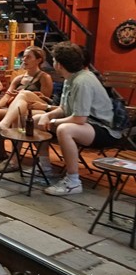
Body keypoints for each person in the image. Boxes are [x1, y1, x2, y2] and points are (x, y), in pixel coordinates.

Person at [35, 42, 121, 196]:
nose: (53, 62)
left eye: (54, 60)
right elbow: (63, 108)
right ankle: (44, 166)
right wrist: (47, 116)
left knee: (65, 129)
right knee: (36, 119)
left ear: (59, 64)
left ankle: (73, 181)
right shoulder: (70, 78)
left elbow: (79, 119)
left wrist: (52, 122)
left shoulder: (82, 81)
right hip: (87, 124)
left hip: (104, 129)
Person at [0, 45, 53, 164]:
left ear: (38, 60)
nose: (24, 60)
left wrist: (22, 95)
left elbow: (44, 100)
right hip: (12, 106)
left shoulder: (44, 77)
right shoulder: (19, 78)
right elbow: (7, 95)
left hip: (30, 108)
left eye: (28, 57)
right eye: (24, 57)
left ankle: (0, 151)